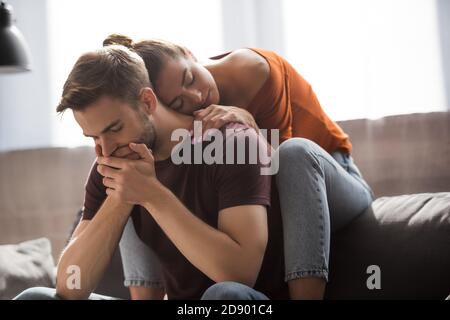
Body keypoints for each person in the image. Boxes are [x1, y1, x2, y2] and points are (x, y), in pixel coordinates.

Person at [102, 35, 375, 300]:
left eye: (190, 78)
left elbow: (281, 178)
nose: (197, 96)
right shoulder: (184, 126)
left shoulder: (252, 71)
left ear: (189, 53)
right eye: (178, 104)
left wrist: (248, 124)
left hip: (330, 179)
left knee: (294, 153)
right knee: (129, 175)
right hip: (262, 225)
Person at [14, 44, 286, 300]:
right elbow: (70, 286)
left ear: (147, 101)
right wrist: (120, 201)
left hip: (244, 303)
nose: (104, 151)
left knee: (225, 296)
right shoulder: (111, 166)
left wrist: (153, 195)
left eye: (113, 129)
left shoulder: (233, 142)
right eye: (93, 137)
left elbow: (240, 274)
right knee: (34, 297)